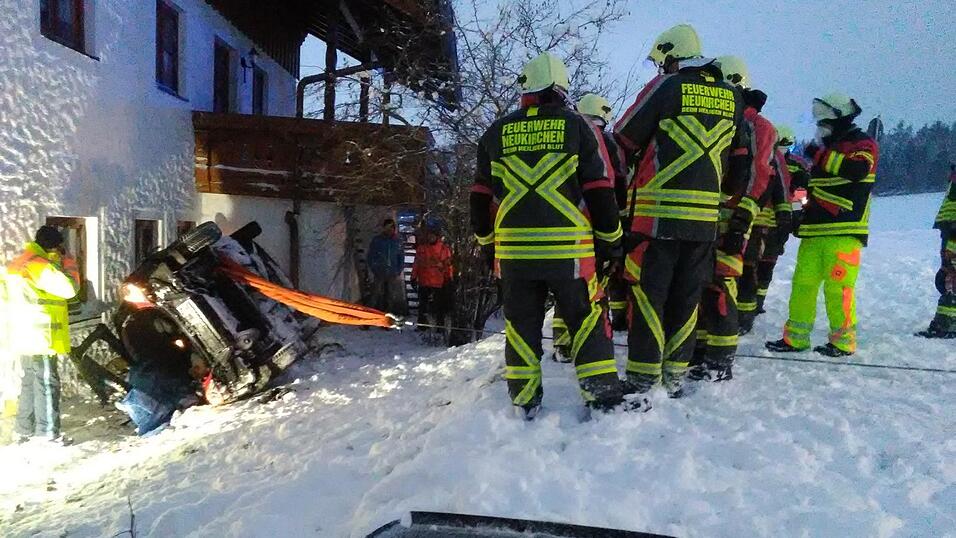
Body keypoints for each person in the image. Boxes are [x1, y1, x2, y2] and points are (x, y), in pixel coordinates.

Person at [470, 52, 626, 418]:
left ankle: (524, 402)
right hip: (569, 253)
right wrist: (611, 242)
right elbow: (601, 190)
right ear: (560, 89)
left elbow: (479, 199)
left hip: (513, 257)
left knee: (521, 325)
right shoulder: (578, 128)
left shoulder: (495, 133)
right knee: (586, 320)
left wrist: (486, 245)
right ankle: (601, 396)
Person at [613, 27, 749, 396]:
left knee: (647, 297)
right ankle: (674, 377)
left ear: (672, 56)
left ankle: (643, 380)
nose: (660, 68)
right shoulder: (732, 99)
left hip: (655, 222)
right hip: (703, 226)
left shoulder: (665, 88)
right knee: (687, 301)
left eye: (661, 62)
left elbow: (622, 139)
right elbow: (742, 166)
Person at [767, 93, 879, 356]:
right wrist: (798, 215)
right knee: (802, 284)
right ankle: (795, 338)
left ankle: (842, 342)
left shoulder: (862, 143)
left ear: (840, 116)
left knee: (838, 288)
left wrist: (819, 155)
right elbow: (810, 188)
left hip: (844, 230)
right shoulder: (829, 148)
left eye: (823, 118)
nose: (820, 124)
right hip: (814, 231)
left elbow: (857, 170)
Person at [552, 93, 628, 361]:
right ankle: (594, 342)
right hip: (597, 226)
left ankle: (562, 344)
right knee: (594, 289)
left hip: (567, 227)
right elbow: (616, 183)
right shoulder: (606, 141)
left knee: (567, 286)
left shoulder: (566, 134)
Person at [6, 225, 80, 444]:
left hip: (23, 333)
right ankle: (47, 434)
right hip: (41, 337)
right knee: (47, 383)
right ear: (53, 246)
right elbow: (70, 289)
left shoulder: (20, 261)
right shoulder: (39, 264)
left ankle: (23, 429)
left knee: (30, 382)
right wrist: (69, 264)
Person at [753, 126, 806, 317]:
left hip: (780, 221)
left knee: (768, 262)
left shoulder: (798, 166)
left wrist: (797, 217)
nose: (784, 149)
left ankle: (758, 301)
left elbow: (800, 195)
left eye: (787, 145)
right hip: (759, 219)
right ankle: (750, 300)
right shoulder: (763, 157)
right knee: (753, 262)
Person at [917, 163, 956, 338]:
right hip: (949, 229)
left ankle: (945, 324)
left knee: (949, 278)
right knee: (947, 276)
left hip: (953, 231)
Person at [411, 221, 454, 333]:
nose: (430, 237)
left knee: (439, 306)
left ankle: (440, 327)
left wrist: (449, 278)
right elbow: (417, 263)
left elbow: (448, 265)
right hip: (424, 281)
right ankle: (422, 325)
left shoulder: (444, 249)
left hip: (438, 282)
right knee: (423, 306)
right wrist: (413, 277)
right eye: (429, 235)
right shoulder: (421, 248)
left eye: (432, 235)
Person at [367, 218, 407, 316]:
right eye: (387, 227)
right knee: (375, 295)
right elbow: (371, 256)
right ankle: (368, 319)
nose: (389, 230)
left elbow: (401, 257)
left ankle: (386, 318)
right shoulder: (377, 240)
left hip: (392, 272)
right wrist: (374, 268)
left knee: (390, 297)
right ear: (384, 228)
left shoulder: (397, 241)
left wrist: (398, 270)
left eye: (391, 228)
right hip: (379, 271)